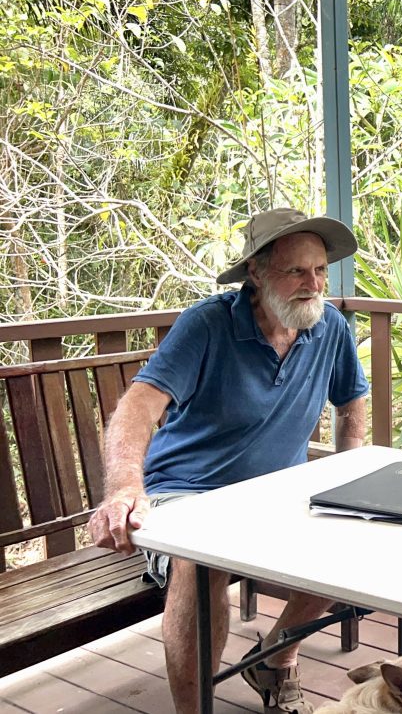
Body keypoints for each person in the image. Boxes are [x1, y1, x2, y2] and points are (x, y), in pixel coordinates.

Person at [87, 208, 369, 714]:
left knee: (363, 533)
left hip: (275, 495)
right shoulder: (208, 324)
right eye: (296, 271)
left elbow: (352, 403)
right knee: (200, 558)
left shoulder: (329, 327)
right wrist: (125, 488)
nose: (313, 283)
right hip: (187, 492)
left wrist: (350, 482)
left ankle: (277, 657)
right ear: (257, 274)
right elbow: (139, 406)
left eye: (321, 270)